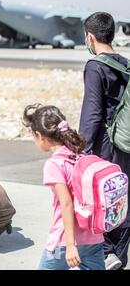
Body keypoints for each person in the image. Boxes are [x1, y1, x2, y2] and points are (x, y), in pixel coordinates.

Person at [23, 104, 105, 270]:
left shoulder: (55, 164)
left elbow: (66, 203)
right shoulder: (80, 155)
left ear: (40, 135)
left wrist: (70, 245)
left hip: (64, 241)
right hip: (93, 237)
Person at [79, 12, 130, 270]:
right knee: (122, 200)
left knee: (102, 200)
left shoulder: (95, 66)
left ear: (90, 37)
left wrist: (83, 152)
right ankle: (120, 255)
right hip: (126, 144)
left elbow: (92, 113)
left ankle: (108, 256)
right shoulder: (126, 64)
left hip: (105, 147)